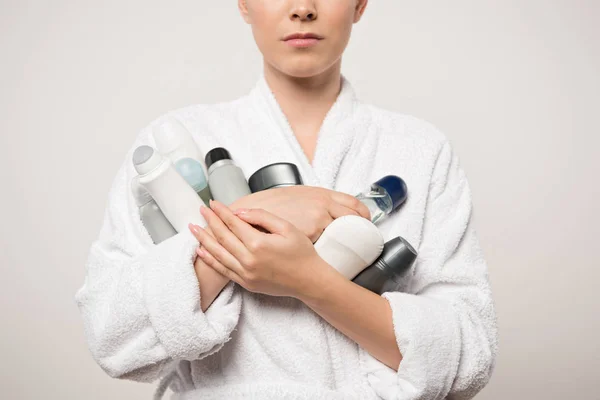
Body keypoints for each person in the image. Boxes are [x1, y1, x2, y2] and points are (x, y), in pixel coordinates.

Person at [74, 1, 498, 399]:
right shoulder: (171, 141)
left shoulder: (421, 150)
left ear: (361, 3)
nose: (302, 8)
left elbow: (468, 353)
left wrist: (309, 281)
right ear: (243, 3)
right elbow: (112, 336)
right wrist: (267, 214)